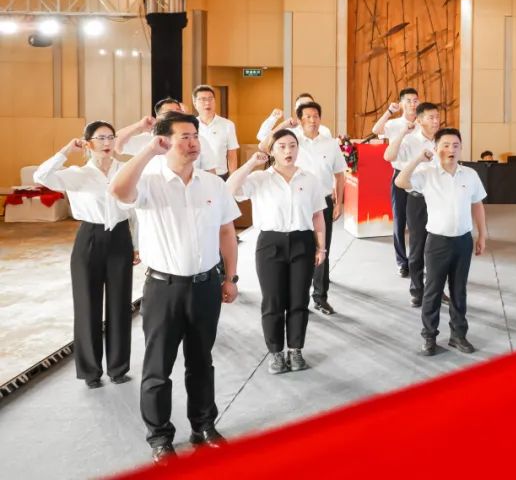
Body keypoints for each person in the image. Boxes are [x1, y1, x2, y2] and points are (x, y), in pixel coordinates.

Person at [109, 112, 240, 463]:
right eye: (184, 136)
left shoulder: (213, 184)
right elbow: (117, 190)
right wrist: (147, 151)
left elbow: (227, 231)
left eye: (195, 135)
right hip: (163, 288)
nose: (193, 142)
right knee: (158, 368)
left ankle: (204, 426)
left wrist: (230, 277)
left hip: (205, 286)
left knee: (202, 362)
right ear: (165, 141)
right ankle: (160, 438)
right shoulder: (149, 181)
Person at [33, 122, 139, 388]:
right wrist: (66, 150)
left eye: (110, 137)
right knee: (87, 305)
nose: (107, 143)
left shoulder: (125, 170)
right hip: (89, 238)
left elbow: (135, 212)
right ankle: (91, 371)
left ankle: (118, 368)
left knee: (119, 305)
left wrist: (137, 245)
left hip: (120, 238)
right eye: (100, 138)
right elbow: (41, 176)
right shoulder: (77, 174)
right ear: (88, 142)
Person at [226, 130, 327, 374]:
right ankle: (276, 353)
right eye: (281, 146)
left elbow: (317, 216)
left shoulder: (309, 179)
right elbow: (229, 189)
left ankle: (295, 350)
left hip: (303, 241)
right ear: (271, 151)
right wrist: (251, 163)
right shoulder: (259, 178)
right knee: (273, 300)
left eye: (292, 145)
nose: (288, 151)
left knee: (299, 299)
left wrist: (321, 247)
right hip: (270, 243)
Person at [395, 128, 487, 356]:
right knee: (433, 291)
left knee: (459, 290)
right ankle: (429, 336)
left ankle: (458, 335)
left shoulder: (470, 175)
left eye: (456, 145)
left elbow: (477, 204)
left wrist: (482, 235)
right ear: (436, 149)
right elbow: (400, 181)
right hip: (437, 242)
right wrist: (418, 159)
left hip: (463, 241)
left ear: (461, 148)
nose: (451, 149)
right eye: (445, 145)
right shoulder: (427, 173)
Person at [263, 101, 345, 315]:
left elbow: (339, 174)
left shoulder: (330, 144)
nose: (312, 120)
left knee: (322, 249)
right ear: (299, 119)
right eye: (307, 116)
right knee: (296, 250)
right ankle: (295, 299)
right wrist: (281, 123)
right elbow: (265, 144)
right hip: (296, 202)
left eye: (316, 116)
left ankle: (320, 297)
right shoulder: (291, 140)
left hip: (323, 203)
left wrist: (339, 202)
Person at [384, 102, 439, 307]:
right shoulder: (410, 140)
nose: (436, 121)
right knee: (418, 246)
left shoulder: (443, 140)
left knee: (438, 247)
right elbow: (388, 156)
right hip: (417, 199)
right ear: (420, 120)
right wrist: (402, 133)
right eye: (431, 117)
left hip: (438, 198)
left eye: (437, 117)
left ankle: (436, 289)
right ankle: (417, 290)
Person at [372, 87, 420, 277]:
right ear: (401, 103)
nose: (412, 104)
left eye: (415, 100)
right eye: (408, 100)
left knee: (419, 221)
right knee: (399, 220)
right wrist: (389, 111)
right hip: (400, 174)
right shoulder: (393, 124)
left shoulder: (423, 123)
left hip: (420, 175)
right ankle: (402, 262)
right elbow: (376, 130)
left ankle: (417, 260)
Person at [192, 85, 238, 180]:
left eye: (210, 99)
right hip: (196, 176)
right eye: (203, 99)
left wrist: (233, 179)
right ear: (195, 103)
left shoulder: (227, 125)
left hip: (221, 176)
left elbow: (232, 155)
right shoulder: (190, 125)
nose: (207, 103)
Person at [255, 92, 332, 144]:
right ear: (296, 110)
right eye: (301, 106)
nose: (305, 109)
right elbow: (262, 137)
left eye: (309, 105)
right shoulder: (288, 130)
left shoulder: (324, 131)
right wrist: (273, 118)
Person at [120, 98, 185, 157]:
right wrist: (139, 125)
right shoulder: (147, 139)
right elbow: (116, 142)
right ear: (159, 119)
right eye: (170, 112)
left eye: (178, 110)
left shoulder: (189, 138)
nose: (176, 114)